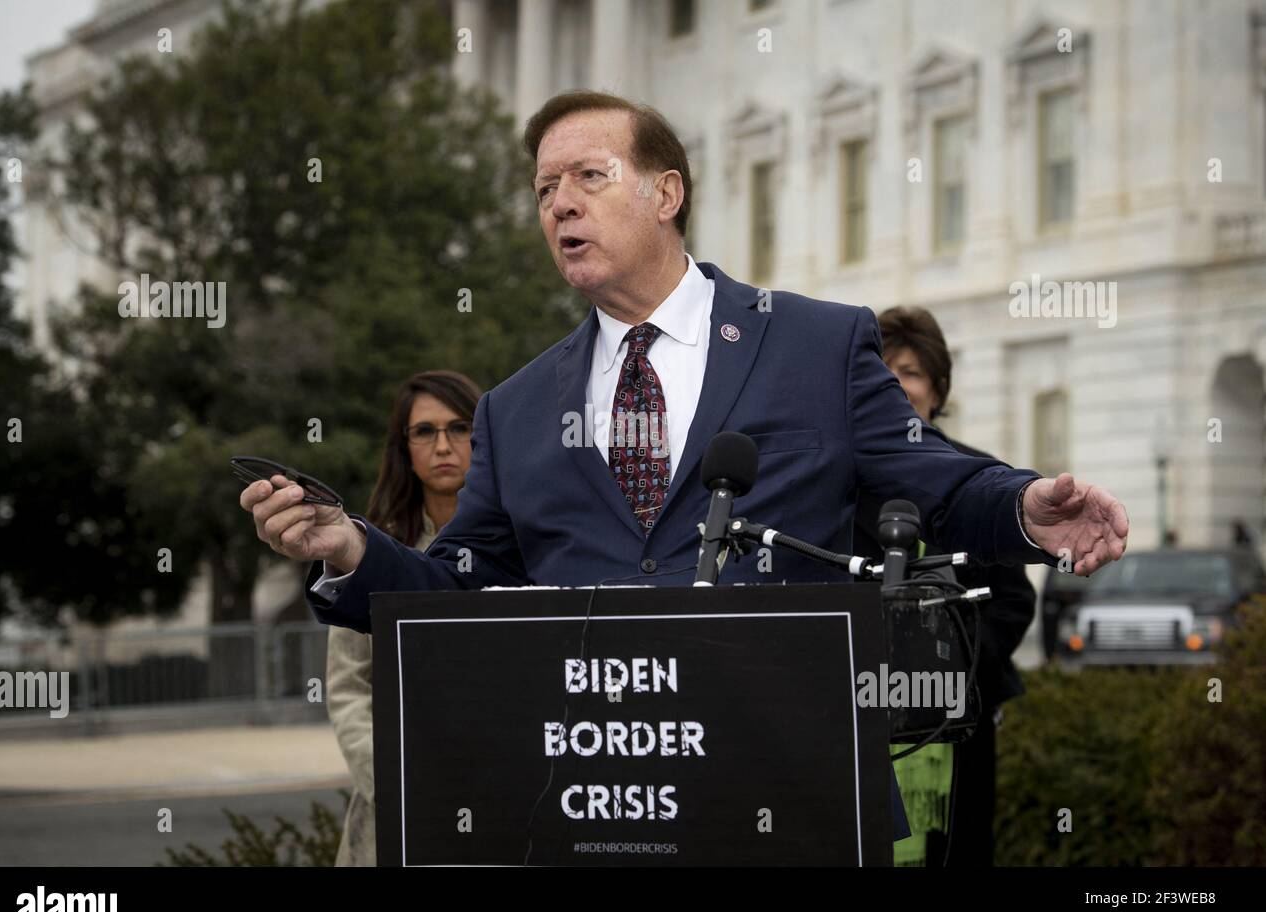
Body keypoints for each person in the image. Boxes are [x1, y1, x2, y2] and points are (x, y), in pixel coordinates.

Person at [240, 90, 1129, 848]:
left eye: (589, 176)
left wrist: (1026, 508)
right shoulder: (515, 410)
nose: (559, 204)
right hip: (589, 809)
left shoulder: (817, 344)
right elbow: (459, 588)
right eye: (545, 188)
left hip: (793, 798)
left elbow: (940, 482)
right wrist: (350, 550)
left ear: (666, 193)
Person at [852, 306, 1036, 866]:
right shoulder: (839, 487)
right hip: (858, 720)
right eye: (885, 372)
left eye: (911, 372)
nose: (898, 386)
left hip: (962, 723)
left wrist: (947, 670)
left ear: (937, 387)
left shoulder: (980, 480)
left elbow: (1011, 601)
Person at [326, 370, 481, 866]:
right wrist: (393, 781)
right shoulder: (370, 551)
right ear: (404, 446)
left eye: (460, 429)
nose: (443, 446)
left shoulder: (523, 539)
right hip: (396, 807)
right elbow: (349, 685)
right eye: (424, 431)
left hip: (497, 796)